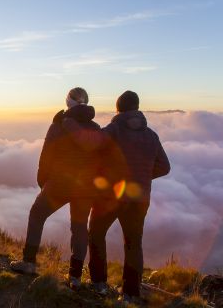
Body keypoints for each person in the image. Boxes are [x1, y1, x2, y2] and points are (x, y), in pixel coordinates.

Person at [11, 87, 102, 289]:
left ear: (69, 101)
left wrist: (44, 183)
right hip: (86, 187)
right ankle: (75, 277)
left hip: (60, 183)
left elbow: (46, 157)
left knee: (37, 214)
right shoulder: (96, 128)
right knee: (79, 228)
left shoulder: (59, 125)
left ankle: (28, 262)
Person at [88, 91, 171, 302]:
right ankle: (130, 293)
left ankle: (98, 283)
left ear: (118, 108)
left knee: (96, 234)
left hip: (110, 196)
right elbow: (164, 167)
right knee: (134, 243)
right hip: (140, 199)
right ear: (137, 108)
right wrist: (141, 176)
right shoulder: (151, 135)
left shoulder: (113, 130)